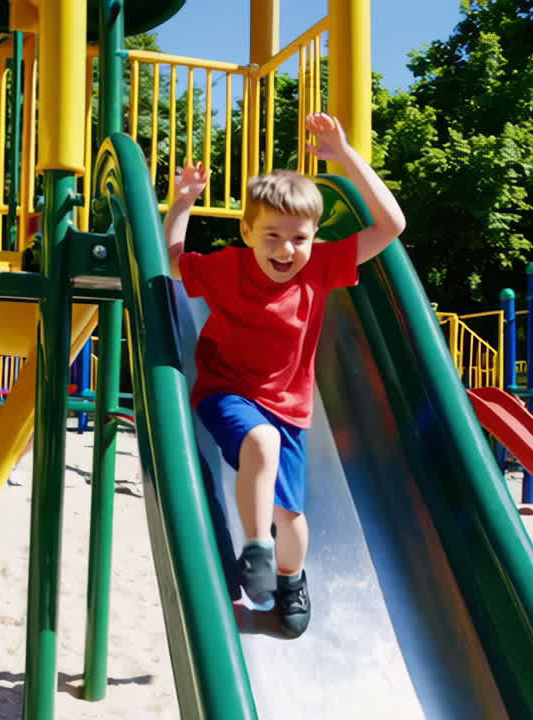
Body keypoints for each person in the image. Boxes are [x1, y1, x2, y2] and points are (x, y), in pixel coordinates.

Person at [166, 113, 405, 638]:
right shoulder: (229, 266)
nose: (285, 249)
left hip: (290, 407)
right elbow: (176, 260)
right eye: (271, 235)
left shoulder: (320, 267)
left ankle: (289, 588)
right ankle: (255, 547)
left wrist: (344, 157)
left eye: (298, 237)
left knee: (293, 518)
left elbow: (391, 227)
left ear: (314, 237)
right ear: (247, 231)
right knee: (261, 439)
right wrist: (182, 201)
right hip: (226, 391)